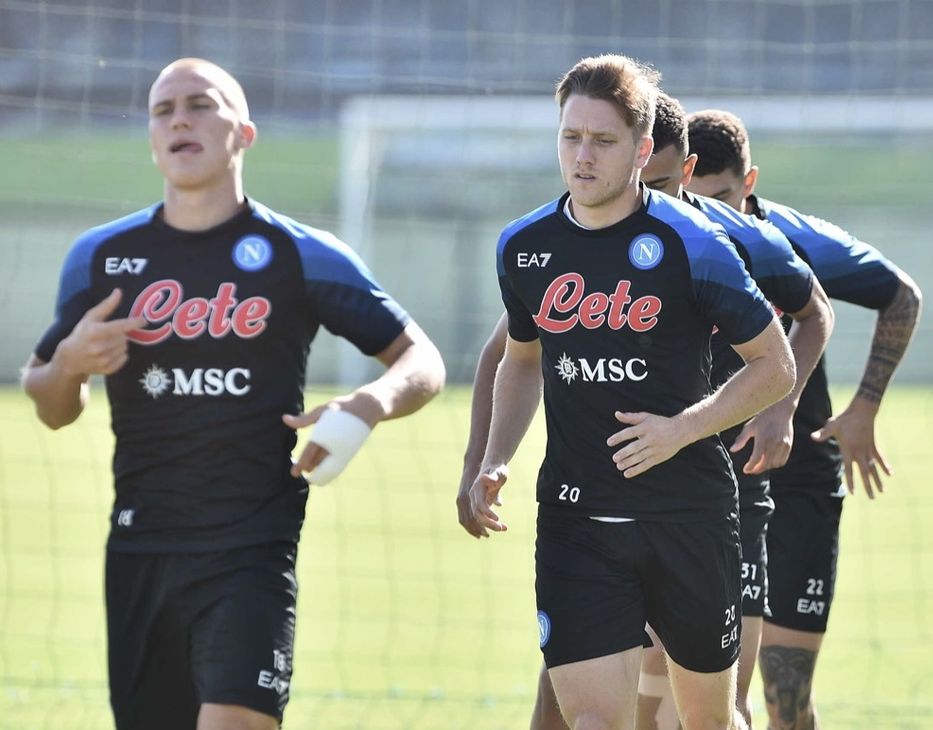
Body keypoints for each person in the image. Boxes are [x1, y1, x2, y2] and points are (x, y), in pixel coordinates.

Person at [21, 58, 446, 730]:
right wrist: (70, 364)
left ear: (244, 132)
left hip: (251, 547)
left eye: (201, 104)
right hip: (140, 548)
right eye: (163, 111)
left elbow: (420, 358)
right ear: (152, 139)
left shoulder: (301, 254)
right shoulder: (101, 257)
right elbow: (49, 403)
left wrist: (366, 405)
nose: (180, 118)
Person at [456, 92, 835, 730]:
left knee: (708, 717)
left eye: (602, 142)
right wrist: (487, 461)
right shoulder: (528, 247)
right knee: (594, 718)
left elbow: (801, 328)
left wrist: (757, 414)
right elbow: (512, 356)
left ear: (652, 159)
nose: (583, 156)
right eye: (570, 137)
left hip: (694, 511)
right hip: (580, 516)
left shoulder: (720, 240)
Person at [684, 109, 923, 729]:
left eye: (727, 198)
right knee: (706, 696)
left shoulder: (789, 243)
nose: (716, 213)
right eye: (697, 197)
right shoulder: (671, 239)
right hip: (715, 482)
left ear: (750, 182)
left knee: (784, 695)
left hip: (801, 483)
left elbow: (900, 294)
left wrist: (864, 406)